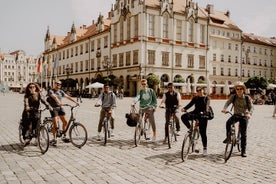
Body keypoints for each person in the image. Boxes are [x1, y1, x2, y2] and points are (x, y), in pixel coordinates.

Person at [222, 81, 253, 157]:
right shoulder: (234, 96)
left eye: (240, 89)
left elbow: (251, 107)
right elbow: (227, 102)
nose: (239, 90)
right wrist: (224, 108)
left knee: (243, 134)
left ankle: (243, 151)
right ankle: (229, 138)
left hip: (244, 116)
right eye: (237, 89)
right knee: (228, 123)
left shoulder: (247, 97)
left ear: (243, 90)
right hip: (236, 115)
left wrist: (249, 114)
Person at [47, 81, 79, 146]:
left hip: (60, 108)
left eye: (60, 84)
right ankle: (54, 138)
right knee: (55, 124)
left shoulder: (61, 91)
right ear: (54, 84)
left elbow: (68, 96)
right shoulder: (51, 91)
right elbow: (55, 97)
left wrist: (75, 102)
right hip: (53, 108)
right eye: (57, 84)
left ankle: (64, 136)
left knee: (65, 122)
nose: (58, 85)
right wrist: (59, 103)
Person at [181, 86, 210, 156]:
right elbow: (190, 104)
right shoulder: (196, 98)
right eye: (197, 90)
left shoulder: (207, 98)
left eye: (200, 90)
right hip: (195, 113)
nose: (199, 92)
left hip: (203, 116)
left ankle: (205, 148)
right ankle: (190, 129)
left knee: (203, 133)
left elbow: (207, 107)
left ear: (203, 90)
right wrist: (184, 108)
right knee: (183, 117)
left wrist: (205, 112)